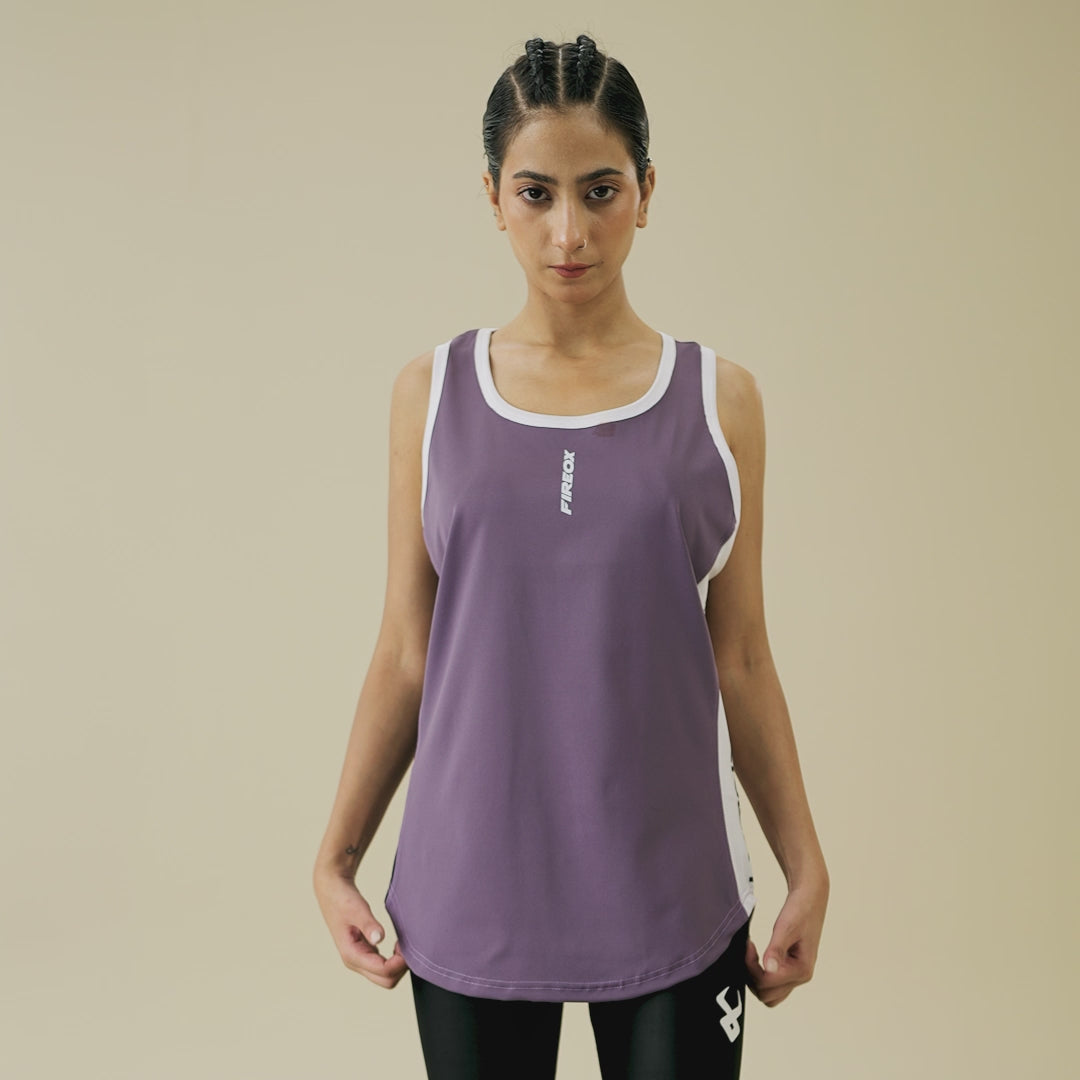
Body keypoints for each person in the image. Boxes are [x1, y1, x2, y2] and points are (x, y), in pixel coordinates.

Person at [313, 32, 829, 1079]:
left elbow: (741, 657)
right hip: (473, 885)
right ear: (493, 197)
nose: (569, 232)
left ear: (646, 190)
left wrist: (805, 866)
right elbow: (407, 651)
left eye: (600, 191)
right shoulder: (432, 395)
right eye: (536, 193)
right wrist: (337, 855)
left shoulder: (719, 402)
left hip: (672, 888)